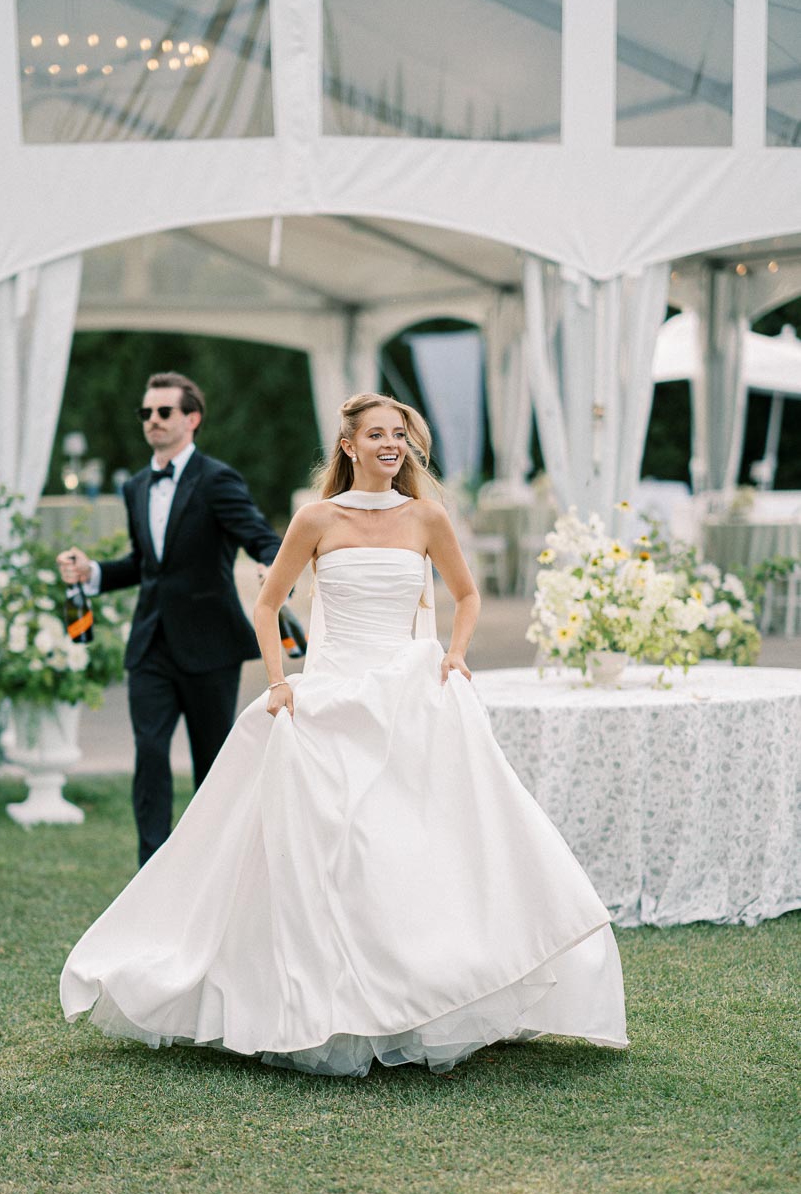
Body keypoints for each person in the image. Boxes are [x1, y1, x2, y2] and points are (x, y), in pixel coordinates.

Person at [60, 393, 627, 1076]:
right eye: (379, 434)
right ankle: (318, 999)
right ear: (349, 446)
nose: (392, 444)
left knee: (414, 839)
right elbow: (267, 603)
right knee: (332, 838)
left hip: (408, 691)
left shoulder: (427, 517)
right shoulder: (316, 518)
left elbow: (467, 594)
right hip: (330, 692)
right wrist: (278, 683)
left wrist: (456, 651)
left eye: (401, 435)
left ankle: (426, 990)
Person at [56, 371, 281, 866]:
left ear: (192, 418)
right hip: (150, 644)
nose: (152, 421)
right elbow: (145, 565)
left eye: (164, 412)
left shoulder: (218, 479)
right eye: (146, 413)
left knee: (213, 765)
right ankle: (151, 872)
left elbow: (261, 536)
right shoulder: (137, 486)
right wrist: (91, 572)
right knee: (151, 755)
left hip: (211, 646)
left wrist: (272, 565)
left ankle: (215, 867)